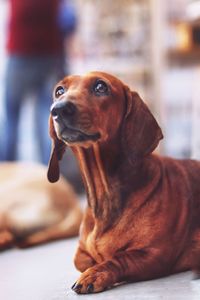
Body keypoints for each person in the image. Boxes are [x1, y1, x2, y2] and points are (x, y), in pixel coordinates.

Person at [1, 0, 76, 164]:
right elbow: (70, 21)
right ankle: (50, 170)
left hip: (20, 54)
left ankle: (4, 172)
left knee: (11, 119)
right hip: (49, 56)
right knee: (47, 118)